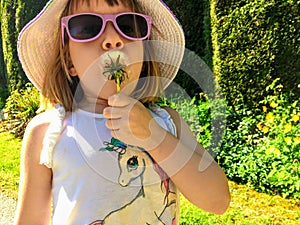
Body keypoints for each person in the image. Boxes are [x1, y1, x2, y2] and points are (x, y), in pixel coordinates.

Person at [14, 0, 230, 224]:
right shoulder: (49, 131)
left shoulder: (167, 122)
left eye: (128, 27)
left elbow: (217, 201)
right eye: (87, 27)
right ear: (69, 62)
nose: (112, 40)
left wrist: (153, 136)